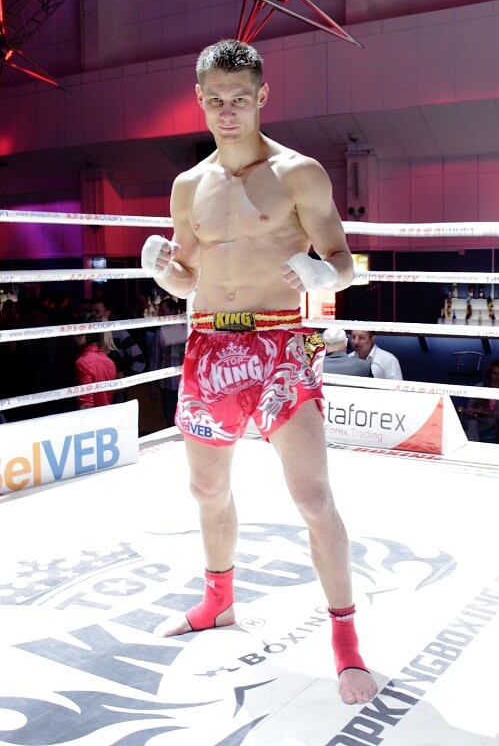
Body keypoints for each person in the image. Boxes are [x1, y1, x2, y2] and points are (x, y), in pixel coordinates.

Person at [140, 38, 377, 705]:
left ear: (262, 97)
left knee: (313, 499)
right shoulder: (189, 186)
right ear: (199, 99)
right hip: (209, 343)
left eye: (239, 99)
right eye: (215, 100)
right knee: (205, 490)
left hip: (281, 344)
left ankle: (346, 644)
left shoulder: (300, 173)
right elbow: (187, 278)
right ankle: (217, 602)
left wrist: (321, 273)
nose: (227, 111)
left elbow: (345, 262)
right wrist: (163, 273)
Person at [148, 296, 187, 427]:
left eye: (163, 311)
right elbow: (155, 358)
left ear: (173, 311)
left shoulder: (187, 329)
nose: (160, 314)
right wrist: (153, 384)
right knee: (170, 419)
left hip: (185, 383)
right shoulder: (160, 333)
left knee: (186, 418)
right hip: (167, 384)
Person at [73, 316, 117, 408]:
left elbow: (86, 403)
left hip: (91, 415)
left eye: (76, 332)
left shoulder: (83, 363)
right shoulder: (110, 362)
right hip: (107, 413)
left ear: (84, 335)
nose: (73, 337)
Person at [461, 359, 499, 442]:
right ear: (489, 374)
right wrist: (471, 411)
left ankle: (465, 436)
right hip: (474, 419)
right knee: (472, 423)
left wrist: (478, 410)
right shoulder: (479, 386)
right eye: (494, 373)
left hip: (492, 423)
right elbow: (469, 406)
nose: (497, 377)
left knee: (474, 429)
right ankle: (472, 442)